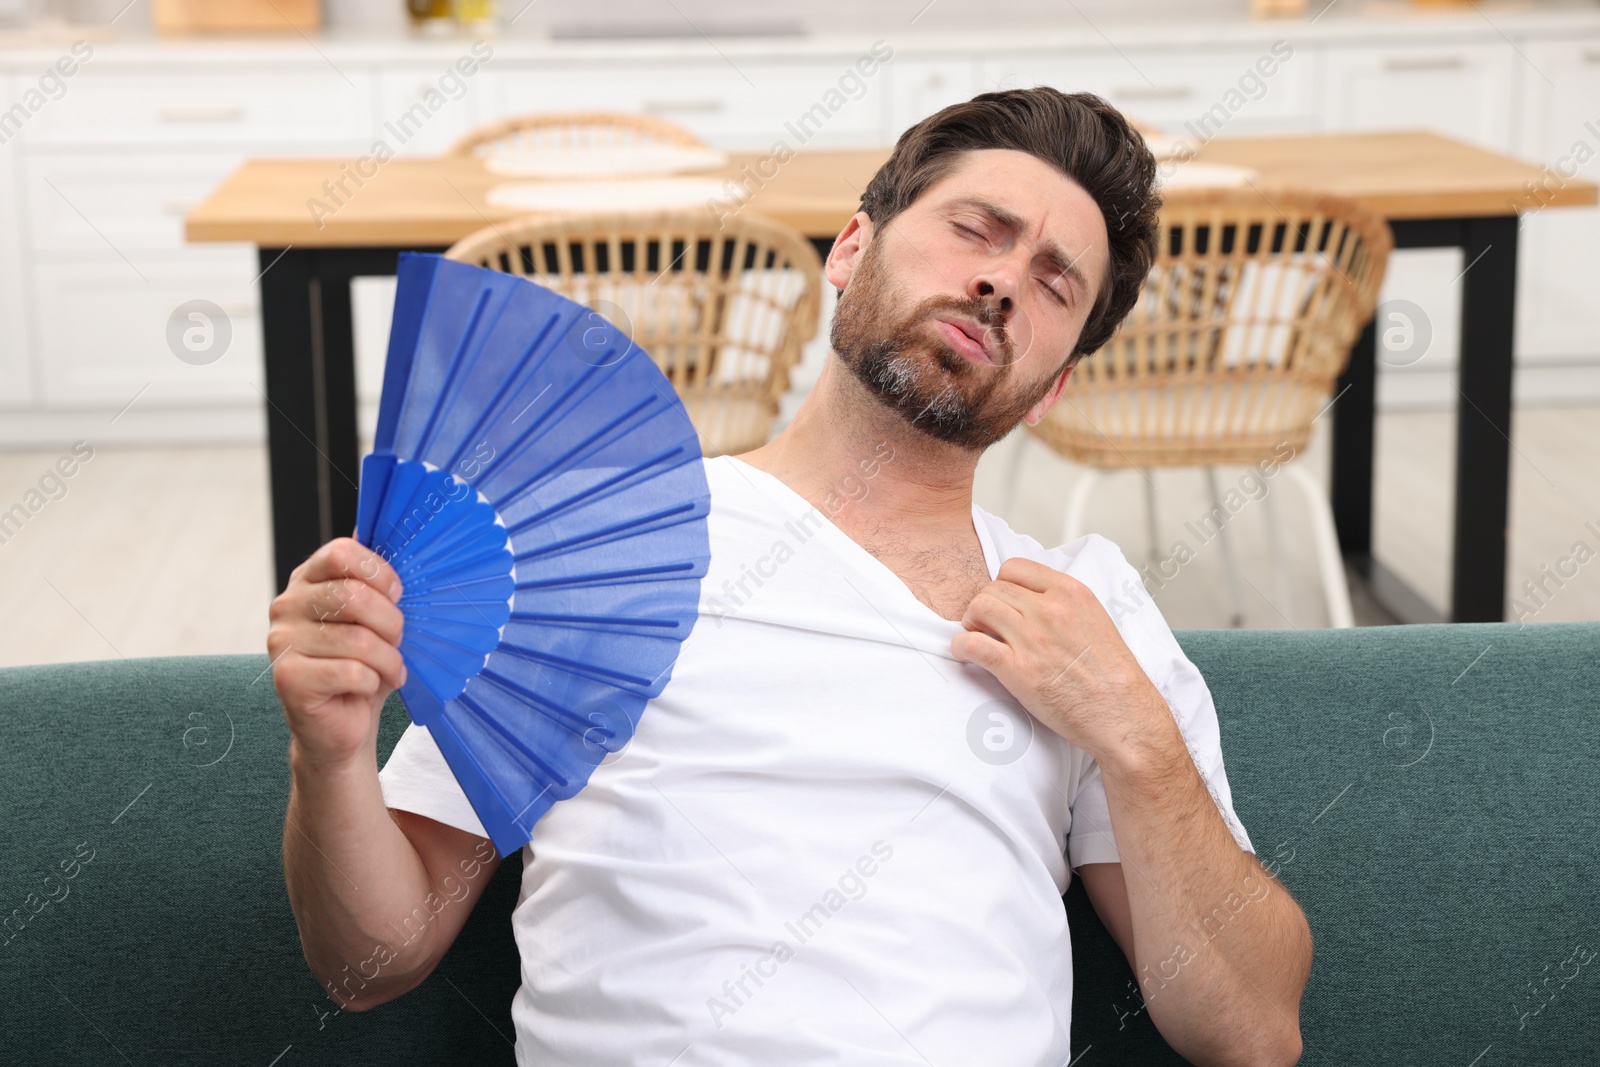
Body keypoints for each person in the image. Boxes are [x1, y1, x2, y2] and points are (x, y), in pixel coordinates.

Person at [268, 87, 1311, 1066]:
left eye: (1053, 282)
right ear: (851, 250)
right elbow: (371, 961)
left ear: (1053, 384)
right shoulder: (585, 543)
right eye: (975, 229)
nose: (1001, 281)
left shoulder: (1082, 610)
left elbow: (1252, 1030)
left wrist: (1132, 733)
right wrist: (332, 750)